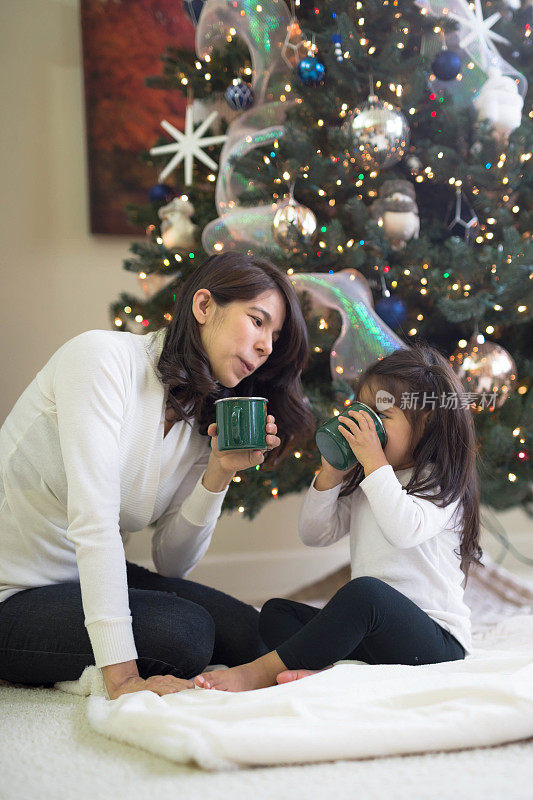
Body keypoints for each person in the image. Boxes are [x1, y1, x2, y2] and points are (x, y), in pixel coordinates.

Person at [0, 252, 313, 700]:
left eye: (275, 336)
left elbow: (172, 562)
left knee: (250, 632)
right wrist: (122, 679)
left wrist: (218, 473)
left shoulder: (198, 416)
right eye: (258, 321)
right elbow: (94, 522)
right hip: (13, 588)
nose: (266, 347)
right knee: (183, 634)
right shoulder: (100, 359)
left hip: (80, 577)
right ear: (203, 306)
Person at [194, 344, 482, 692]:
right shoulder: (370, 479)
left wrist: (374, 463)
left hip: (434, 641)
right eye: (363, 411)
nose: (366, 425)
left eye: (382, 416)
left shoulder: (440, 481)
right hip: (376, 635)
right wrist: (329, 476)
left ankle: (257, 672)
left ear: (427, 422)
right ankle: (336, 670)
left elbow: (404, 529)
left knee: (366, 594)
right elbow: (315, 534)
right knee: (276, 614)